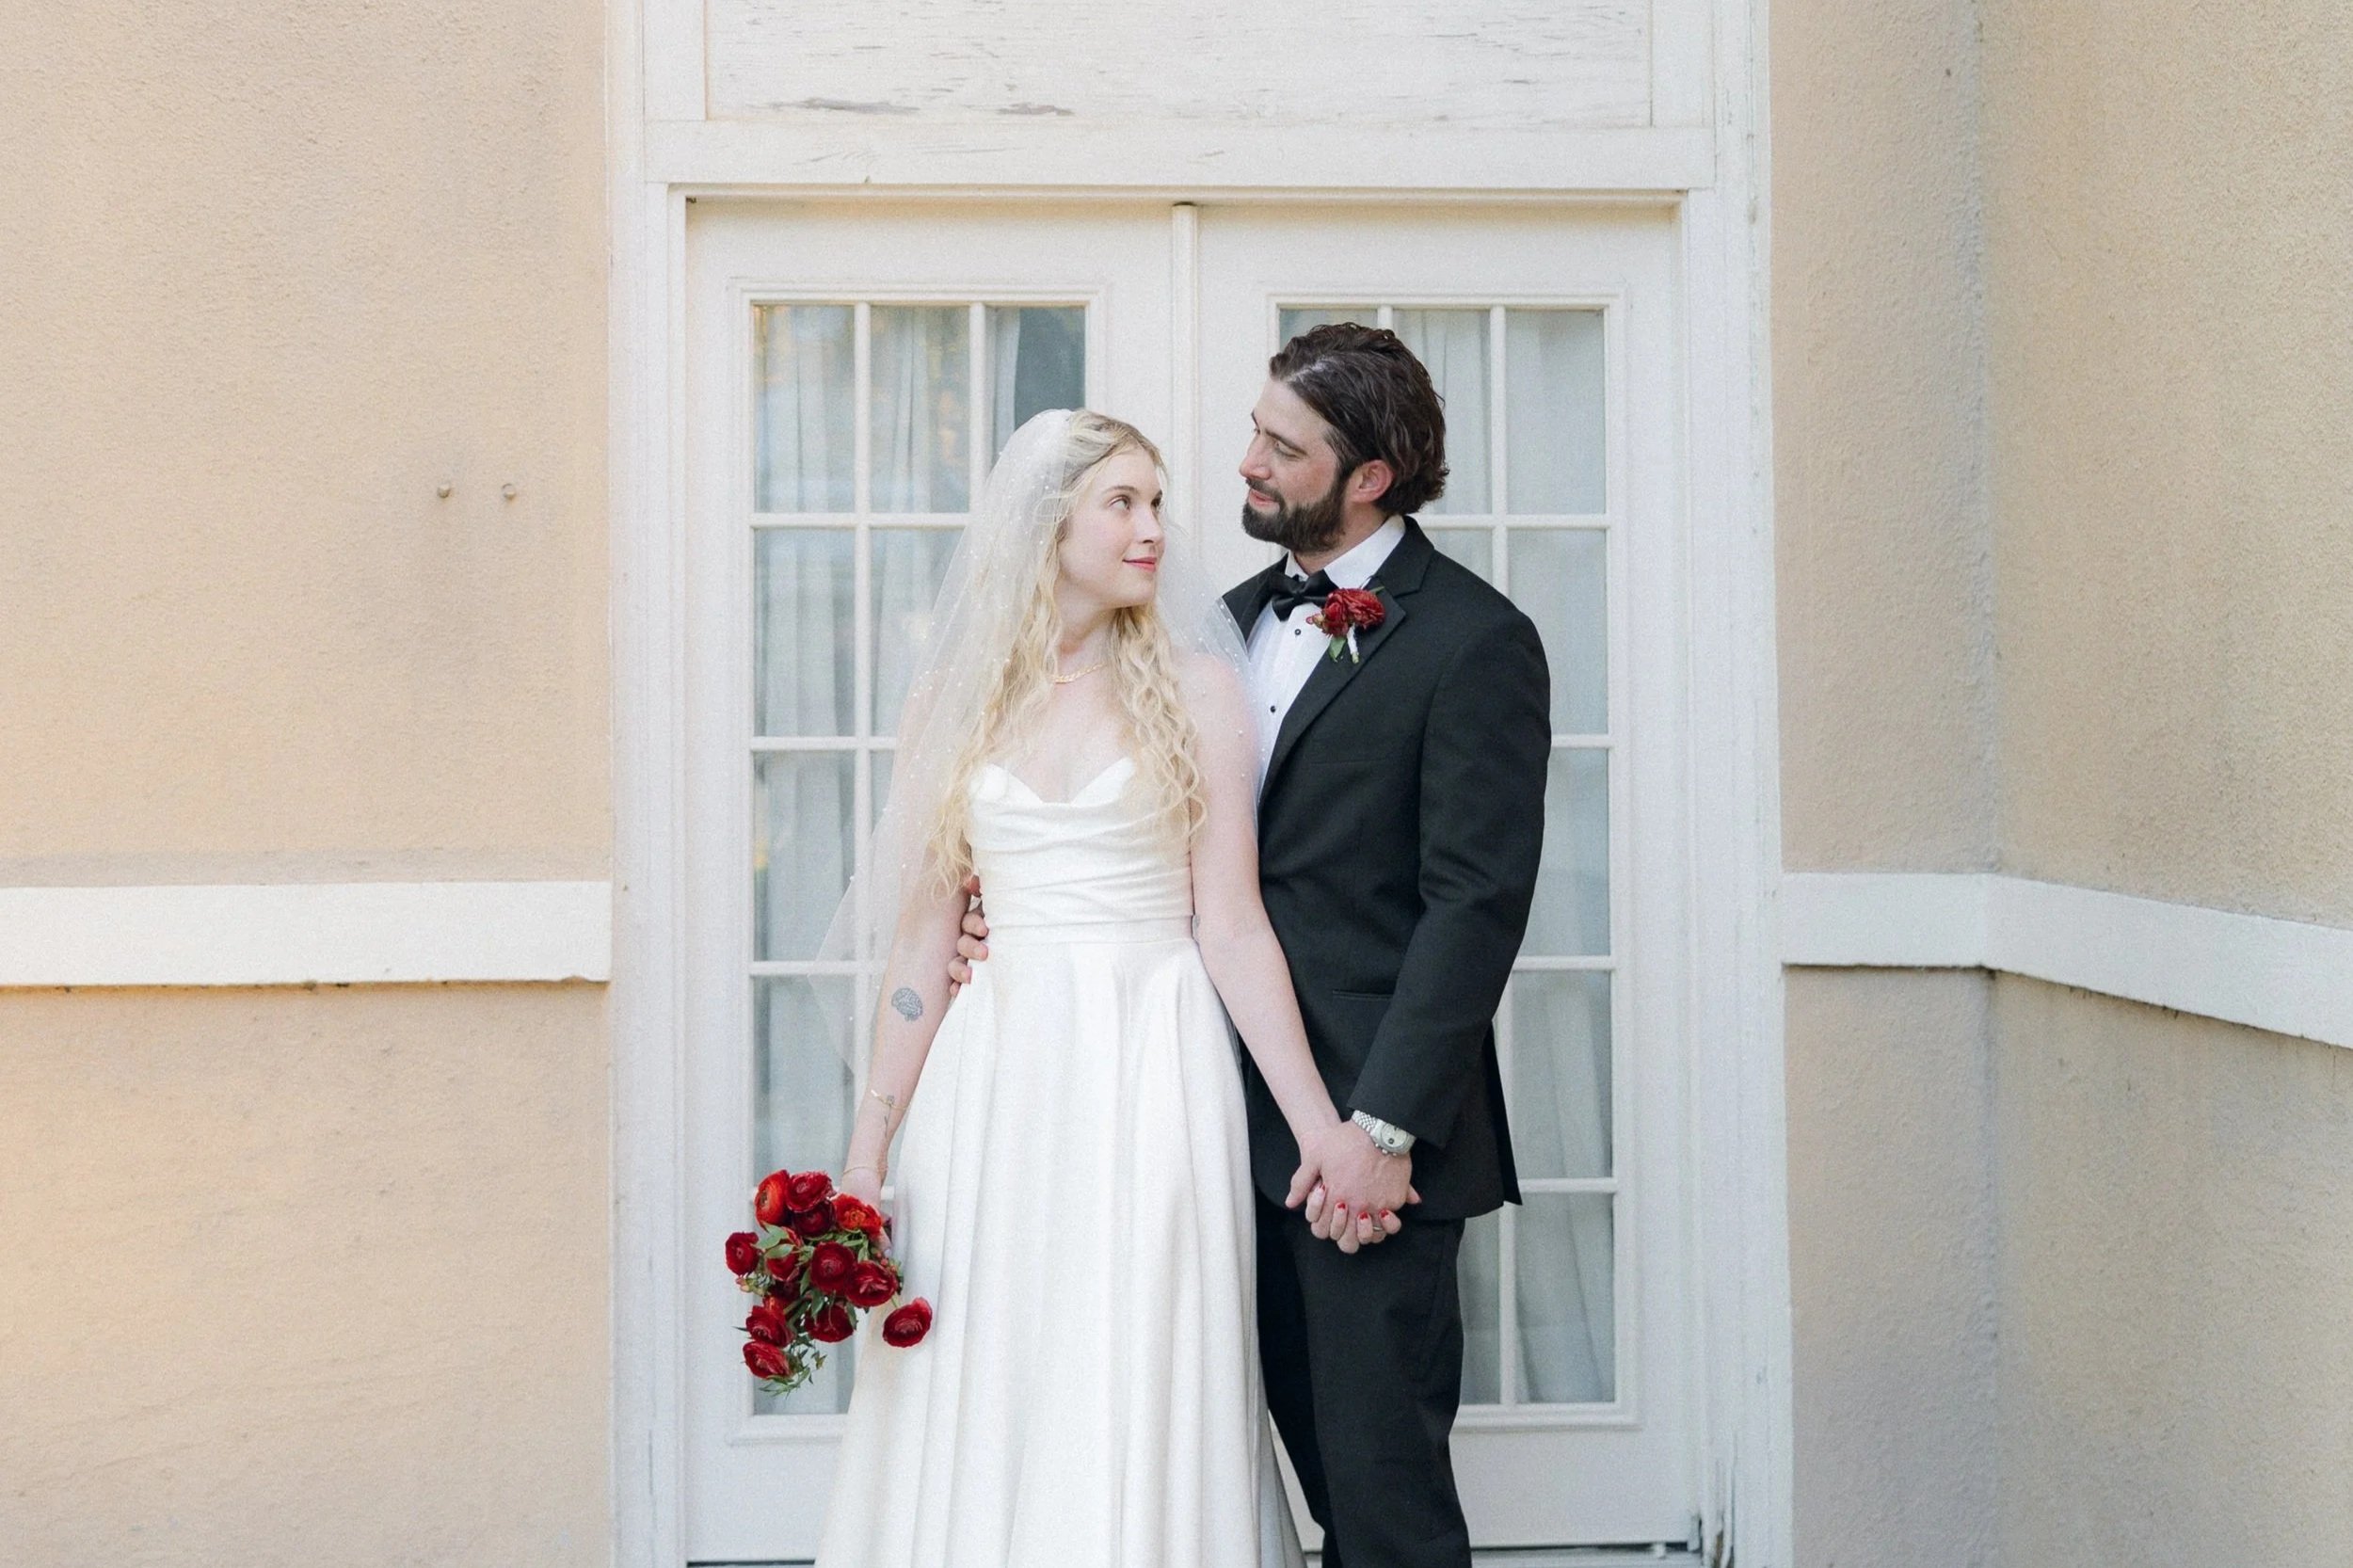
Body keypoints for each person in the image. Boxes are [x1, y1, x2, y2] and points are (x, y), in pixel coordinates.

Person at [953, 326, 1551, 1567]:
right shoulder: (1208, 630)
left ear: (1371, 474)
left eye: (1283, 447)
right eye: (1255, 433)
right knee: (1209, 1480)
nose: (1248, 465)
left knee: (1380, 1504)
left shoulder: (1473, 640)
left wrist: (1382, 1132)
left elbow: (1475, 904)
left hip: (1366, 1154)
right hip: (1195, 1121)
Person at [817, 408, 1378, 1568]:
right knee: (993, 1351)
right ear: (1047, 523)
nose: (1153, 530)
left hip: (1150, 1059)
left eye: (1157, 503)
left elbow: (1231, 925)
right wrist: (869, 1149)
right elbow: (922, 954)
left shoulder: (1195, 691)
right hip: (995, 1073)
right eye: (1121, 503)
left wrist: (1322, 1126)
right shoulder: (951, 706)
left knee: (1139, 1345)